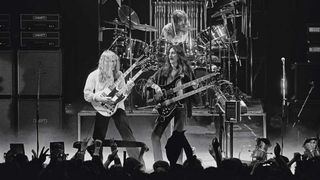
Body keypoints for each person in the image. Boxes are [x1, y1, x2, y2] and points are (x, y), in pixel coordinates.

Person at [83, 50, 142, 162]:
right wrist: (100, 98)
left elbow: (123, 96)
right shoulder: (94, 75)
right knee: (98, 137)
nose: (114, 64)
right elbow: (87, 94)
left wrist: (128, 89)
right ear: (104, 62)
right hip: (101, 108)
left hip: (117, 107)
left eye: (115, 61)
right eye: (111, 61)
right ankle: (97, 163)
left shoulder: (119, 75)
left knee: (127, 133)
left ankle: (137, 162)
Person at [146, 45, 198, 161]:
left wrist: (195, 86)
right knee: (155, 136)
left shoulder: (187, 71)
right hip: (167, 106)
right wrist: (155, 87)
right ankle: (159, 164)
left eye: (173, 53)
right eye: (169, 53)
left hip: (181, 106)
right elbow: (149, 82)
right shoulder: (163, 70)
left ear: (179, 55)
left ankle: (178, 166)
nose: (170, 55)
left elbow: (194, 90)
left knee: (177, 137)